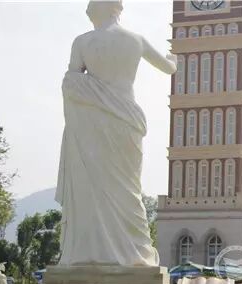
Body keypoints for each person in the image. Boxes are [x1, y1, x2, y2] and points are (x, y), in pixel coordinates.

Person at [55, 1, 177, 266]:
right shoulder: (136, 40)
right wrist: (172, 60)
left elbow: (71, 81)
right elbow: (169, 68)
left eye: (91, 5)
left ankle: (93, 252)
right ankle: (131, 252)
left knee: (96, 186)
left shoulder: (82, 42)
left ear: (106, 7)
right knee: (127, 188)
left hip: (93, 124)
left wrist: (92, 92)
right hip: (126, 120)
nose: (87, 11)